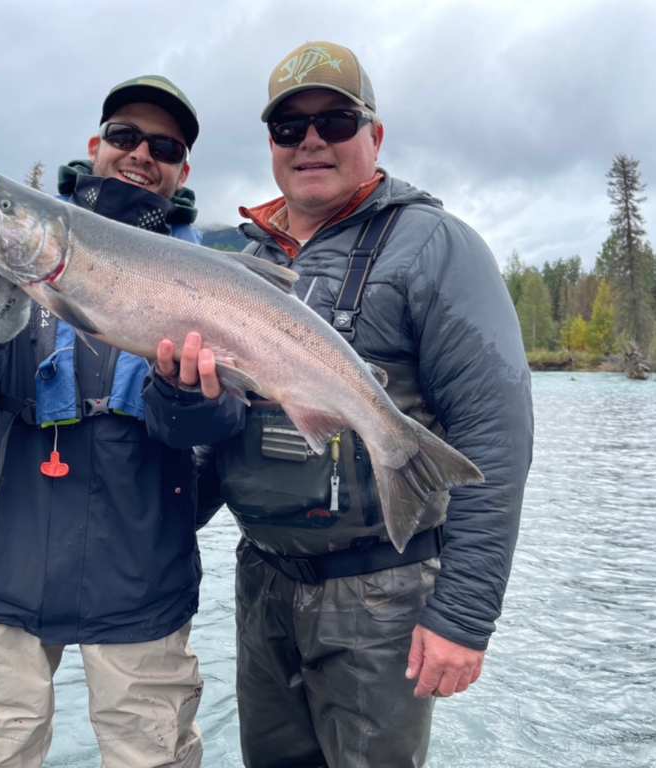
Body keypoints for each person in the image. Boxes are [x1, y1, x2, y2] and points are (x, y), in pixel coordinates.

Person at [150, 41, 534, 767]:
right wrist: (182, 401)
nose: (312, 141)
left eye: (335, 120)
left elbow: (496, 438)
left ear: (375, 135)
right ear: (271, 145)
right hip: (262, 582)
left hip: (382, 599)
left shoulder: (436, 247)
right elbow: (208, 440)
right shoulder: (242, 262)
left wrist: (464, 615)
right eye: (289, 129)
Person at [0, 75, 243, 768]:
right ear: (96, 144)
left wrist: (186, 395)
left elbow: (222, 423)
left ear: (182, 168)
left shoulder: (211, 270)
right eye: (124, 136)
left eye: (163, 144)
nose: (141, 152)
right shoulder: (12, 245)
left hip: (142, 583)